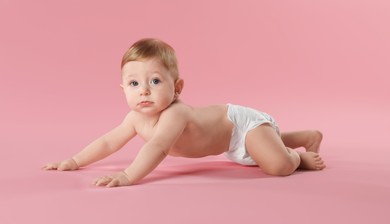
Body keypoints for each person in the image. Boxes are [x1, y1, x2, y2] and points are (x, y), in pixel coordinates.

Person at [43, 38, 326, 187]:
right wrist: (75, 160)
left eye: (155, 81)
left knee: (277, 167)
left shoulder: (175, 114)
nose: (144, 90)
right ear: (123, 90)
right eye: (134, 83)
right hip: (229, 144)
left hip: (241, 126)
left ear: (177, 87)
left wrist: (128, 176)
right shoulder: (135, 118)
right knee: (262, 150)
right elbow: (108, 142)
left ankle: (297, 155)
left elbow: (158, 146)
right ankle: (302, 136)